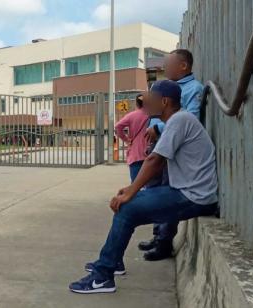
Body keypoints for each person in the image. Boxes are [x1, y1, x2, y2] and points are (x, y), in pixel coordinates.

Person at [69, 80, 218, 294]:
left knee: (127, 208)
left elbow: (155, 161)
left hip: (194, 196)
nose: (145, 105)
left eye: (150, 100)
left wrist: (132, 190)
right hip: (187, 191)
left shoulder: (179, 120)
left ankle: (103, 277)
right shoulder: (177, 120)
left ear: (164, 102)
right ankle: (113, 261)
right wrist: (133, 190)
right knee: (128, 205)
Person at [139, 49, 205, 261]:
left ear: (184, 66)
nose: (165, 69)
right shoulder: (167, 87)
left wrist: (157, 129)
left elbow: (192, 116)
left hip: (171, 149)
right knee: (155, 189)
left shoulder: (193, 89)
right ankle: (158, 235)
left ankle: (165, 242)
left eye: (168, 65)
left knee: (166, 194)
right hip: (158, 145)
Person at [114, 94, 151, 183]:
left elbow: (118, 126)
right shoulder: (154, 115)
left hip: (136, 154)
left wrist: (126, 140)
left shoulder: (132, 115)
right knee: (151, 184)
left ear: (137, 104)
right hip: (152, 153)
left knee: (135, 184)